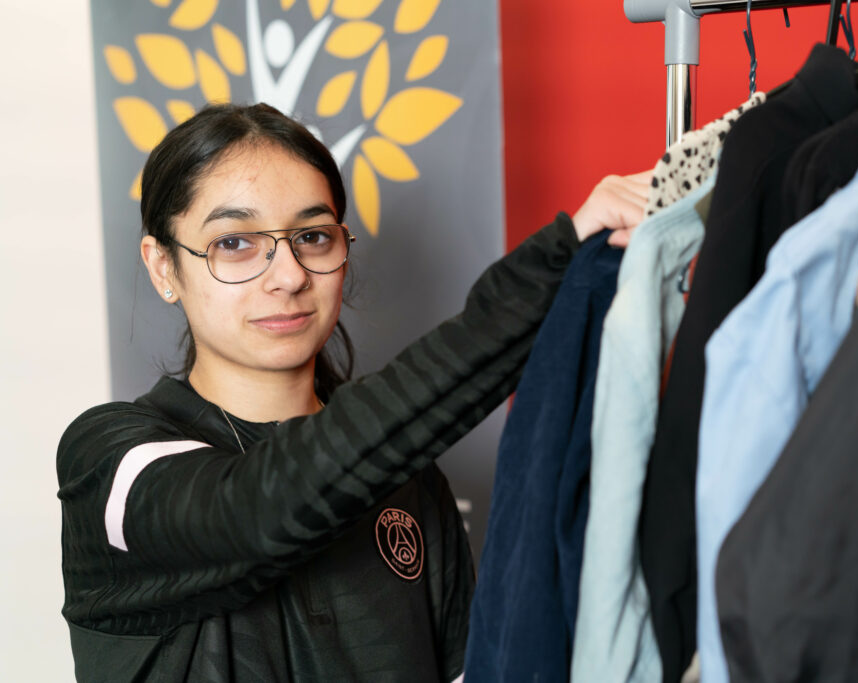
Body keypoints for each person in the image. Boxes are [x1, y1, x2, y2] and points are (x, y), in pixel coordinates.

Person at [57, 102, 649, 682]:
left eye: (312, 236)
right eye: (233, 243)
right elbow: (257, 510)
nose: (288, 276)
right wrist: (547, 273)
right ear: (163, 267)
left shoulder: (408, 477)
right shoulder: (109, 461)